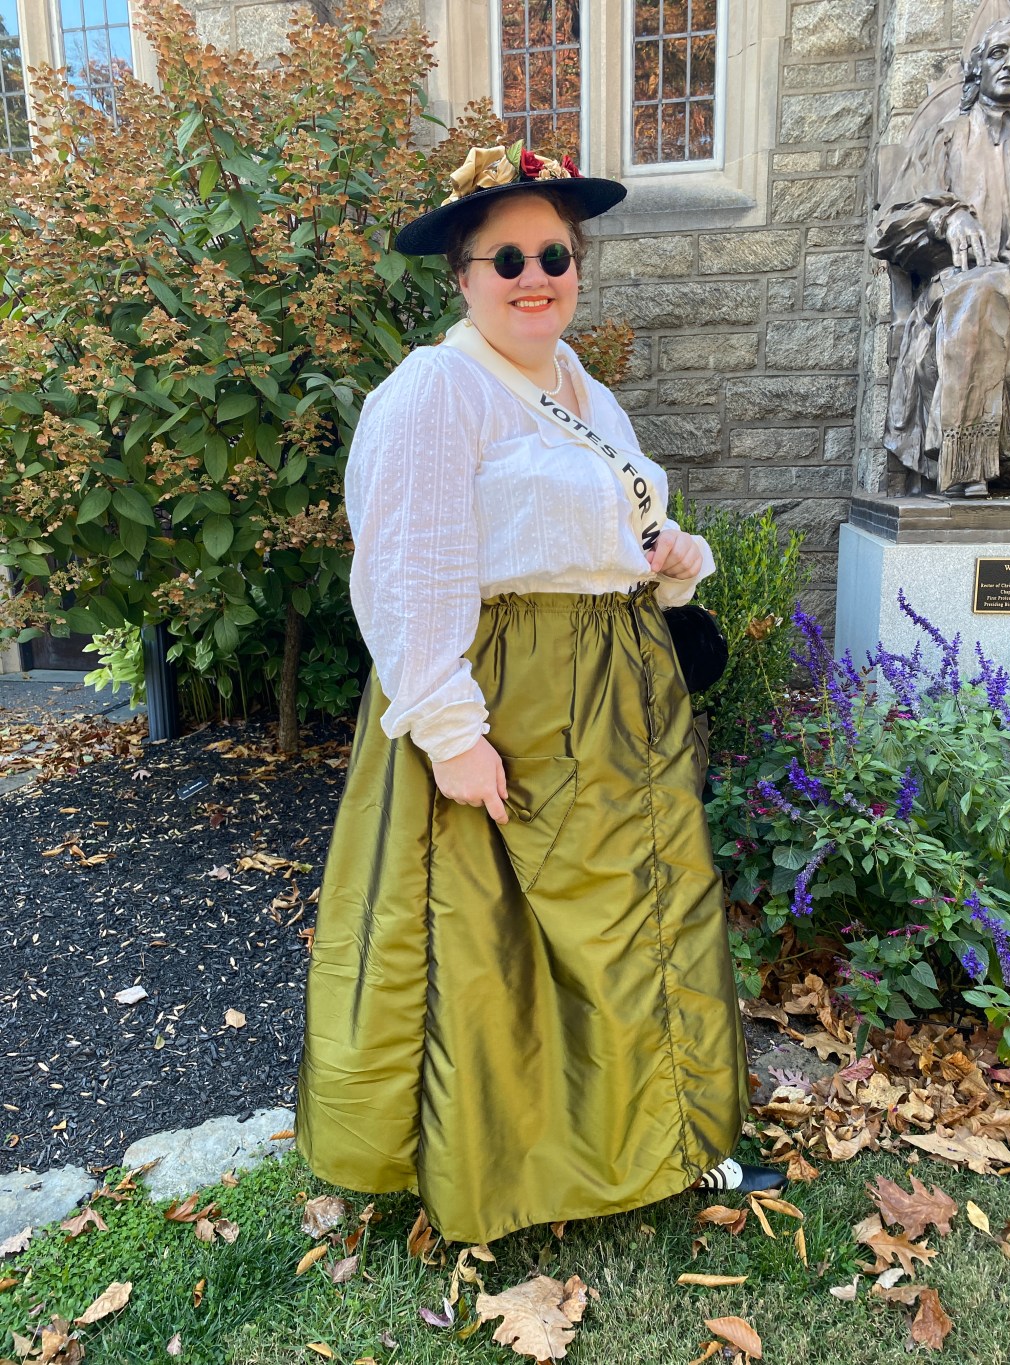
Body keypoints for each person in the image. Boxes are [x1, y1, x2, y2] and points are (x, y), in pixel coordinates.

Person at [295, 143, 781, 1246]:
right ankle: (511, 1165)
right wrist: (449, 731)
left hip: (618, 696)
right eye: (505, 255)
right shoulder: (433, 389)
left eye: (554, 252)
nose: (534, 273)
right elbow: (406, 567)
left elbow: (610, 527)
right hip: (506, 695)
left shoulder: (582, 389)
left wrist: (671, 555)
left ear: (577, 265)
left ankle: (667, 1135)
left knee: (646, 914)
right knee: (500, 935)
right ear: (461, 275)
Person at [872, 17, 1010, 496]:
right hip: (961, 290)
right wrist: (945, 218)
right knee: (984, 290)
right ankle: (966, 464)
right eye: (999, 53)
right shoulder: (948, 137)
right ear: (977, 69)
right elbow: (888, 229)